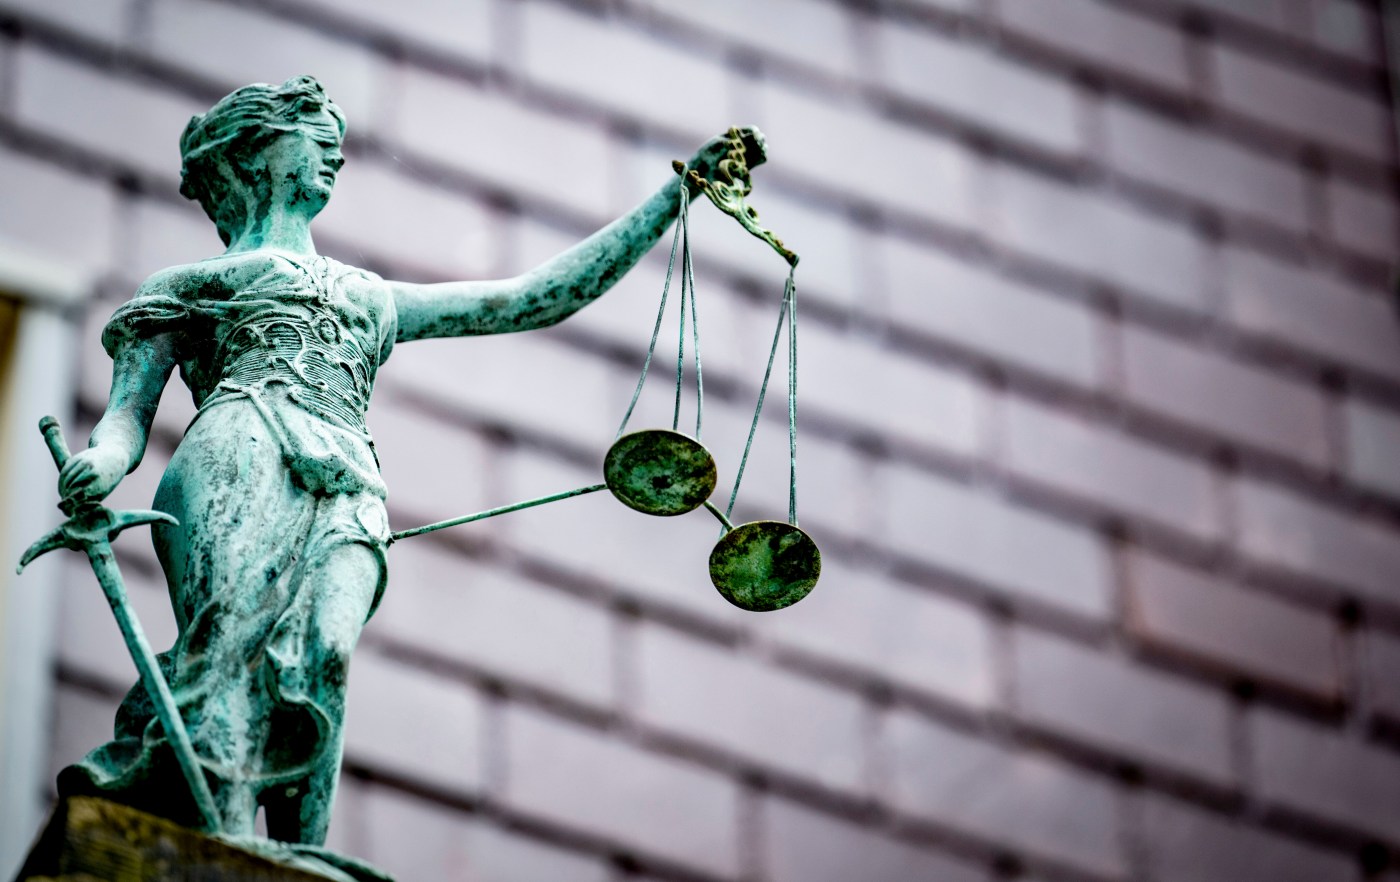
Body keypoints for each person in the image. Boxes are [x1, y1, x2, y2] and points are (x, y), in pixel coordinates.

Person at [56, 74, 761, 849]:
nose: (336, 156)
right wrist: (101, 459)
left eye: (339, 146)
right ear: (255, 154)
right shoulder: (195, 286)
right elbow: (128, 414)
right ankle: (226, 837)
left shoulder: (370, 296)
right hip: (238, 450)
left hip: (348, 481)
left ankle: (299, 848)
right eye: (316, 140)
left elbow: (535, 297)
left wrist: (677, 197)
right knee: (226, 648)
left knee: (323, 651)